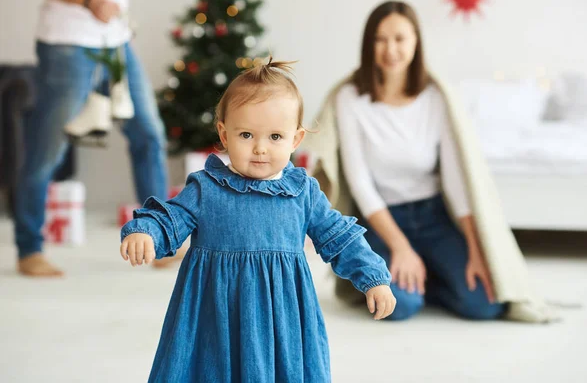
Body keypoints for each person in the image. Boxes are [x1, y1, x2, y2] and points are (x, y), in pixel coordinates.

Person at [119, 60, 396, 382]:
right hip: (216, 313)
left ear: (296, 139)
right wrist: (146, 232)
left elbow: (340, 236)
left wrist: (373, 277)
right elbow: (172, 216)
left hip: (282, 316)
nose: (260, 148)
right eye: (246, 134)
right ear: (224, 134)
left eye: (276, 136)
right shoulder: (207, 188)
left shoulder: (302, 192)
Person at [308, 0, 508, 321]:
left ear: (416, 41)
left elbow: (457, 181)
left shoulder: (435, 97)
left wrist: (475, 248)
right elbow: (359, 182)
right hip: (384, 219)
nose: (391, 49)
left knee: (484, 305)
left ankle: (429, 277)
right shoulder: (349, 97)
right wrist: (400, 246)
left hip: (433, 215)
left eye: (400, 38)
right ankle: (416, 280)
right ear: (368, 44)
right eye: (380, 39)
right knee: (400, 305)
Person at [16, 0, 168, 276]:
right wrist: (88, 0)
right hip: (67, 43)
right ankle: (29, 249)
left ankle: (159, 240)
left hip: (117, 40)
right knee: (47, 150)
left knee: (148, 135)